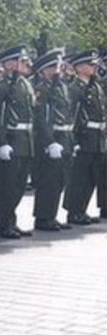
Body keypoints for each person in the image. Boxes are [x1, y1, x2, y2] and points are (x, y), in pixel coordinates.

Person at [0, 45, 36, 239]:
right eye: (19, 61)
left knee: (19, 186)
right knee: (7, 186)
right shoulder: (1, 86)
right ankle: (3, 225)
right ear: (9, 64)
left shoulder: (24, 84)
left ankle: (12, 221)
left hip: (25, 140)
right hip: (11, 140)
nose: (24, 64)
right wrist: (1, 142)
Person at [31, 50, 73, 231]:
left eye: (57, 66)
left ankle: (51, 215)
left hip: (64, 138)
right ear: (43, 71)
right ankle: (42, 217)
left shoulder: (61, 87)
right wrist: (49, 142)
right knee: (48, 181)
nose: (56, 70)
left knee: (59, 180)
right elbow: (41, 118)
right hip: (51, 140)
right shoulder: (42, 89)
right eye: (52, 67)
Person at [64, 50, 106, 225]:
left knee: (91, 176)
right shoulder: (75, 88)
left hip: (97, 137)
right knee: (79, 176)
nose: (95, 67)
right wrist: (73, 140)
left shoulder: (95, 86)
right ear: (80, 67)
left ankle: (82, 209)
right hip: (84, 136)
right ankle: (74, 211)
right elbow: (72, 115)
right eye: (91, 64)